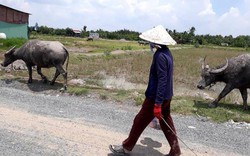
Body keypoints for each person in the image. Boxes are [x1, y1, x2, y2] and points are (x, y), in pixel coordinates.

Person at [109, 25, 181, 156]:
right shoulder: (167, 52)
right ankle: (175, 151)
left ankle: (126, 147)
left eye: (151, 40)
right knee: (166, 123)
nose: (150, 43)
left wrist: (158, 103)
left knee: (139, 121)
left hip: (155, 97)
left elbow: (162, 80)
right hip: (167, 95)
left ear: (156, 41)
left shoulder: (159, 56)